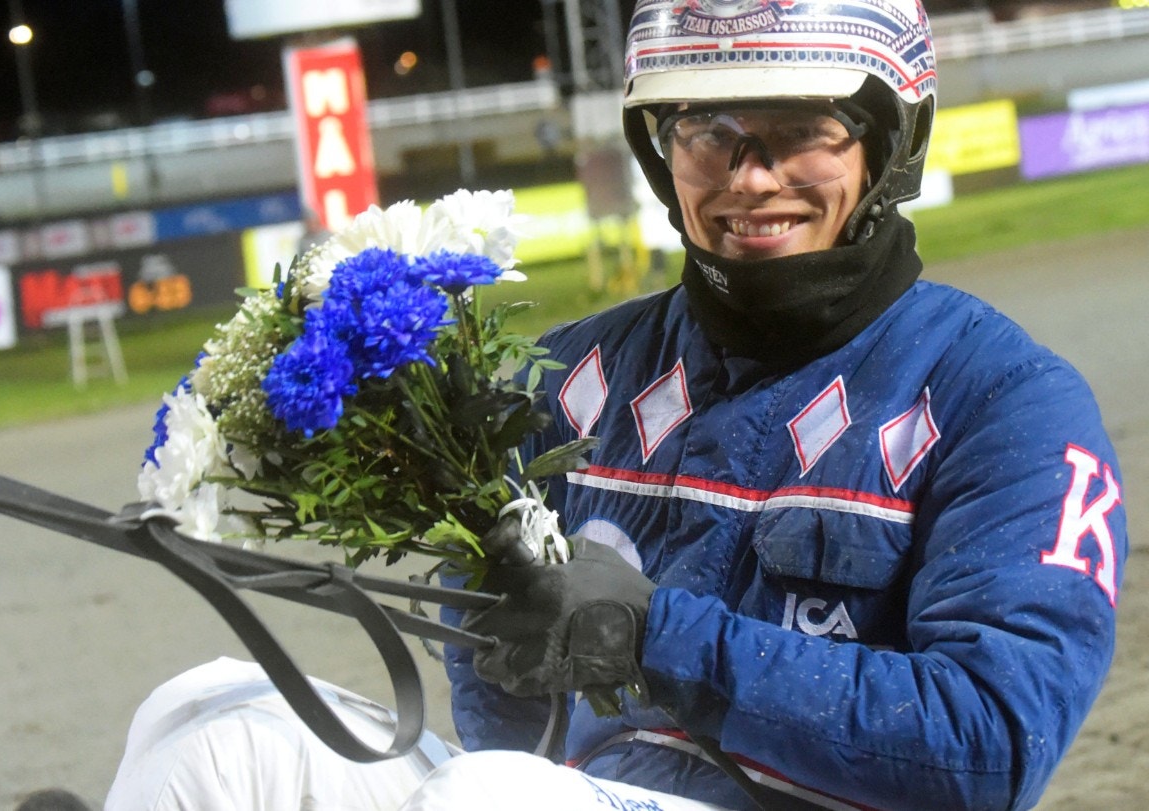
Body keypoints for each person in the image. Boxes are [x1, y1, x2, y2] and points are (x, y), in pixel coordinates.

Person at [107, 0, 1127, 808]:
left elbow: (995, 745)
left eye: (801, 132)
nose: (750, 176)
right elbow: (504, 728)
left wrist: (653, 635)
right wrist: (489, 617)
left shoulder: (1005, 402)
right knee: (209, 722)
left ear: (887, 145)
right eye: (707, 134)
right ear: (659, 152)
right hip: (554, 791)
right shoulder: (565, 375)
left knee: (490, 797)